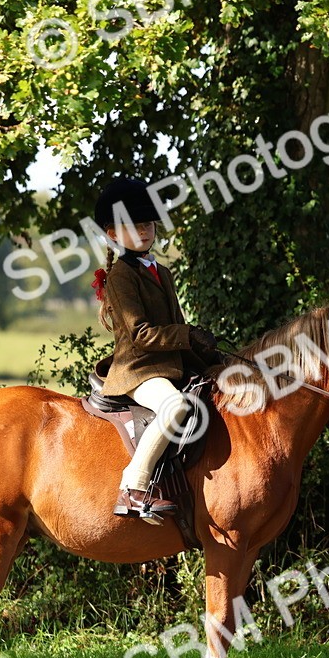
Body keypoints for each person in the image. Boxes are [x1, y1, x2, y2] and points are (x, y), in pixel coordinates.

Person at [93, 177, 219, 522]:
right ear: (114, 234)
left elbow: (176, 328)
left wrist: (210, 357)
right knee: (175, 404)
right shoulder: (120, 275)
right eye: (133, 226)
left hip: (170, 366)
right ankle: (134, 488)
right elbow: (142, 335)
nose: (144, 231)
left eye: (147, 223)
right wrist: (188, 334)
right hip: (139, 370)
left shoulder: (161, 271)